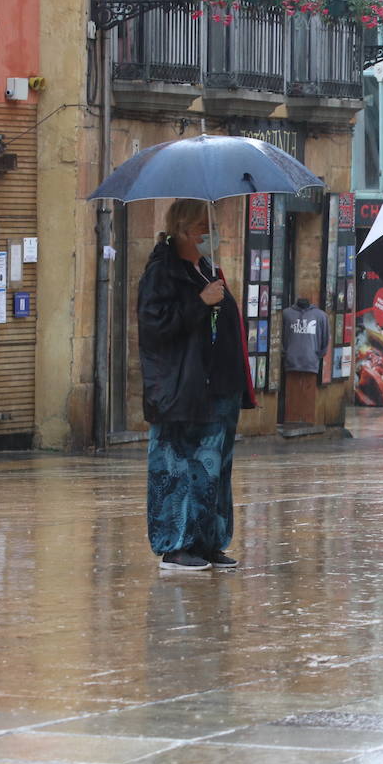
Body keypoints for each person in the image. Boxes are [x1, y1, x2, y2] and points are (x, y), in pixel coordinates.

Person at [137, 198, 257, 571]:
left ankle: (208, 542)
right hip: (181, 391)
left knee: (213, 469)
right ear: (186, 231)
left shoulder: (206, 268)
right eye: (207, 229)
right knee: (177, 469)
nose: (213, 235)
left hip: (217, 388)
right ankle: (176, 545)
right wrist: (198, 302)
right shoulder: (162, 271)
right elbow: (155, 328)